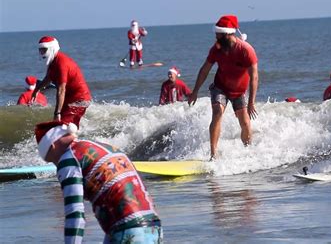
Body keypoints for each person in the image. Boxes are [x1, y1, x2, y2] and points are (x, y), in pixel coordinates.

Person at [34, 121, 162, 243]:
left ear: (52, 146)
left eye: (51, 160)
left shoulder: (68, 159)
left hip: (127, 229)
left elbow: (75, 214)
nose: (56, 164)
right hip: (154, 226)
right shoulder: (108, 148)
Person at [188, 15, 259, 160]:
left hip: (239, 92)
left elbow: (254, 77)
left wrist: (251, 101)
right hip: (220, 88)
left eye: (218, 34)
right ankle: (213, 155)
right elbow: (205, 70)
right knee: (217, 113)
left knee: (245, 123)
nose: (216, 37)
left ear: (227, 34)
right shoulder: (217, 49)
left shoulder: (246, 50)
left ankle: (249, 153)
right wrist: (194, 91)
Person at [33, 36, 92, 128]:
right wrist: (37, 89)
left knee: (65, 124)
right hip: (69, 98)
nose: (42, 53)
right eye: (40, 50)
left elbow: (61, 90)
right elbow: (49, 78)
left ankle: (72, 139)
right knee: (60, 123)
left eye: (44, 50)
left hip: (80, 99)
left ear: (52, 48)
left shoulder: (62, 63)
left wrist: (57, 112)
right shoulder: (53, 62)